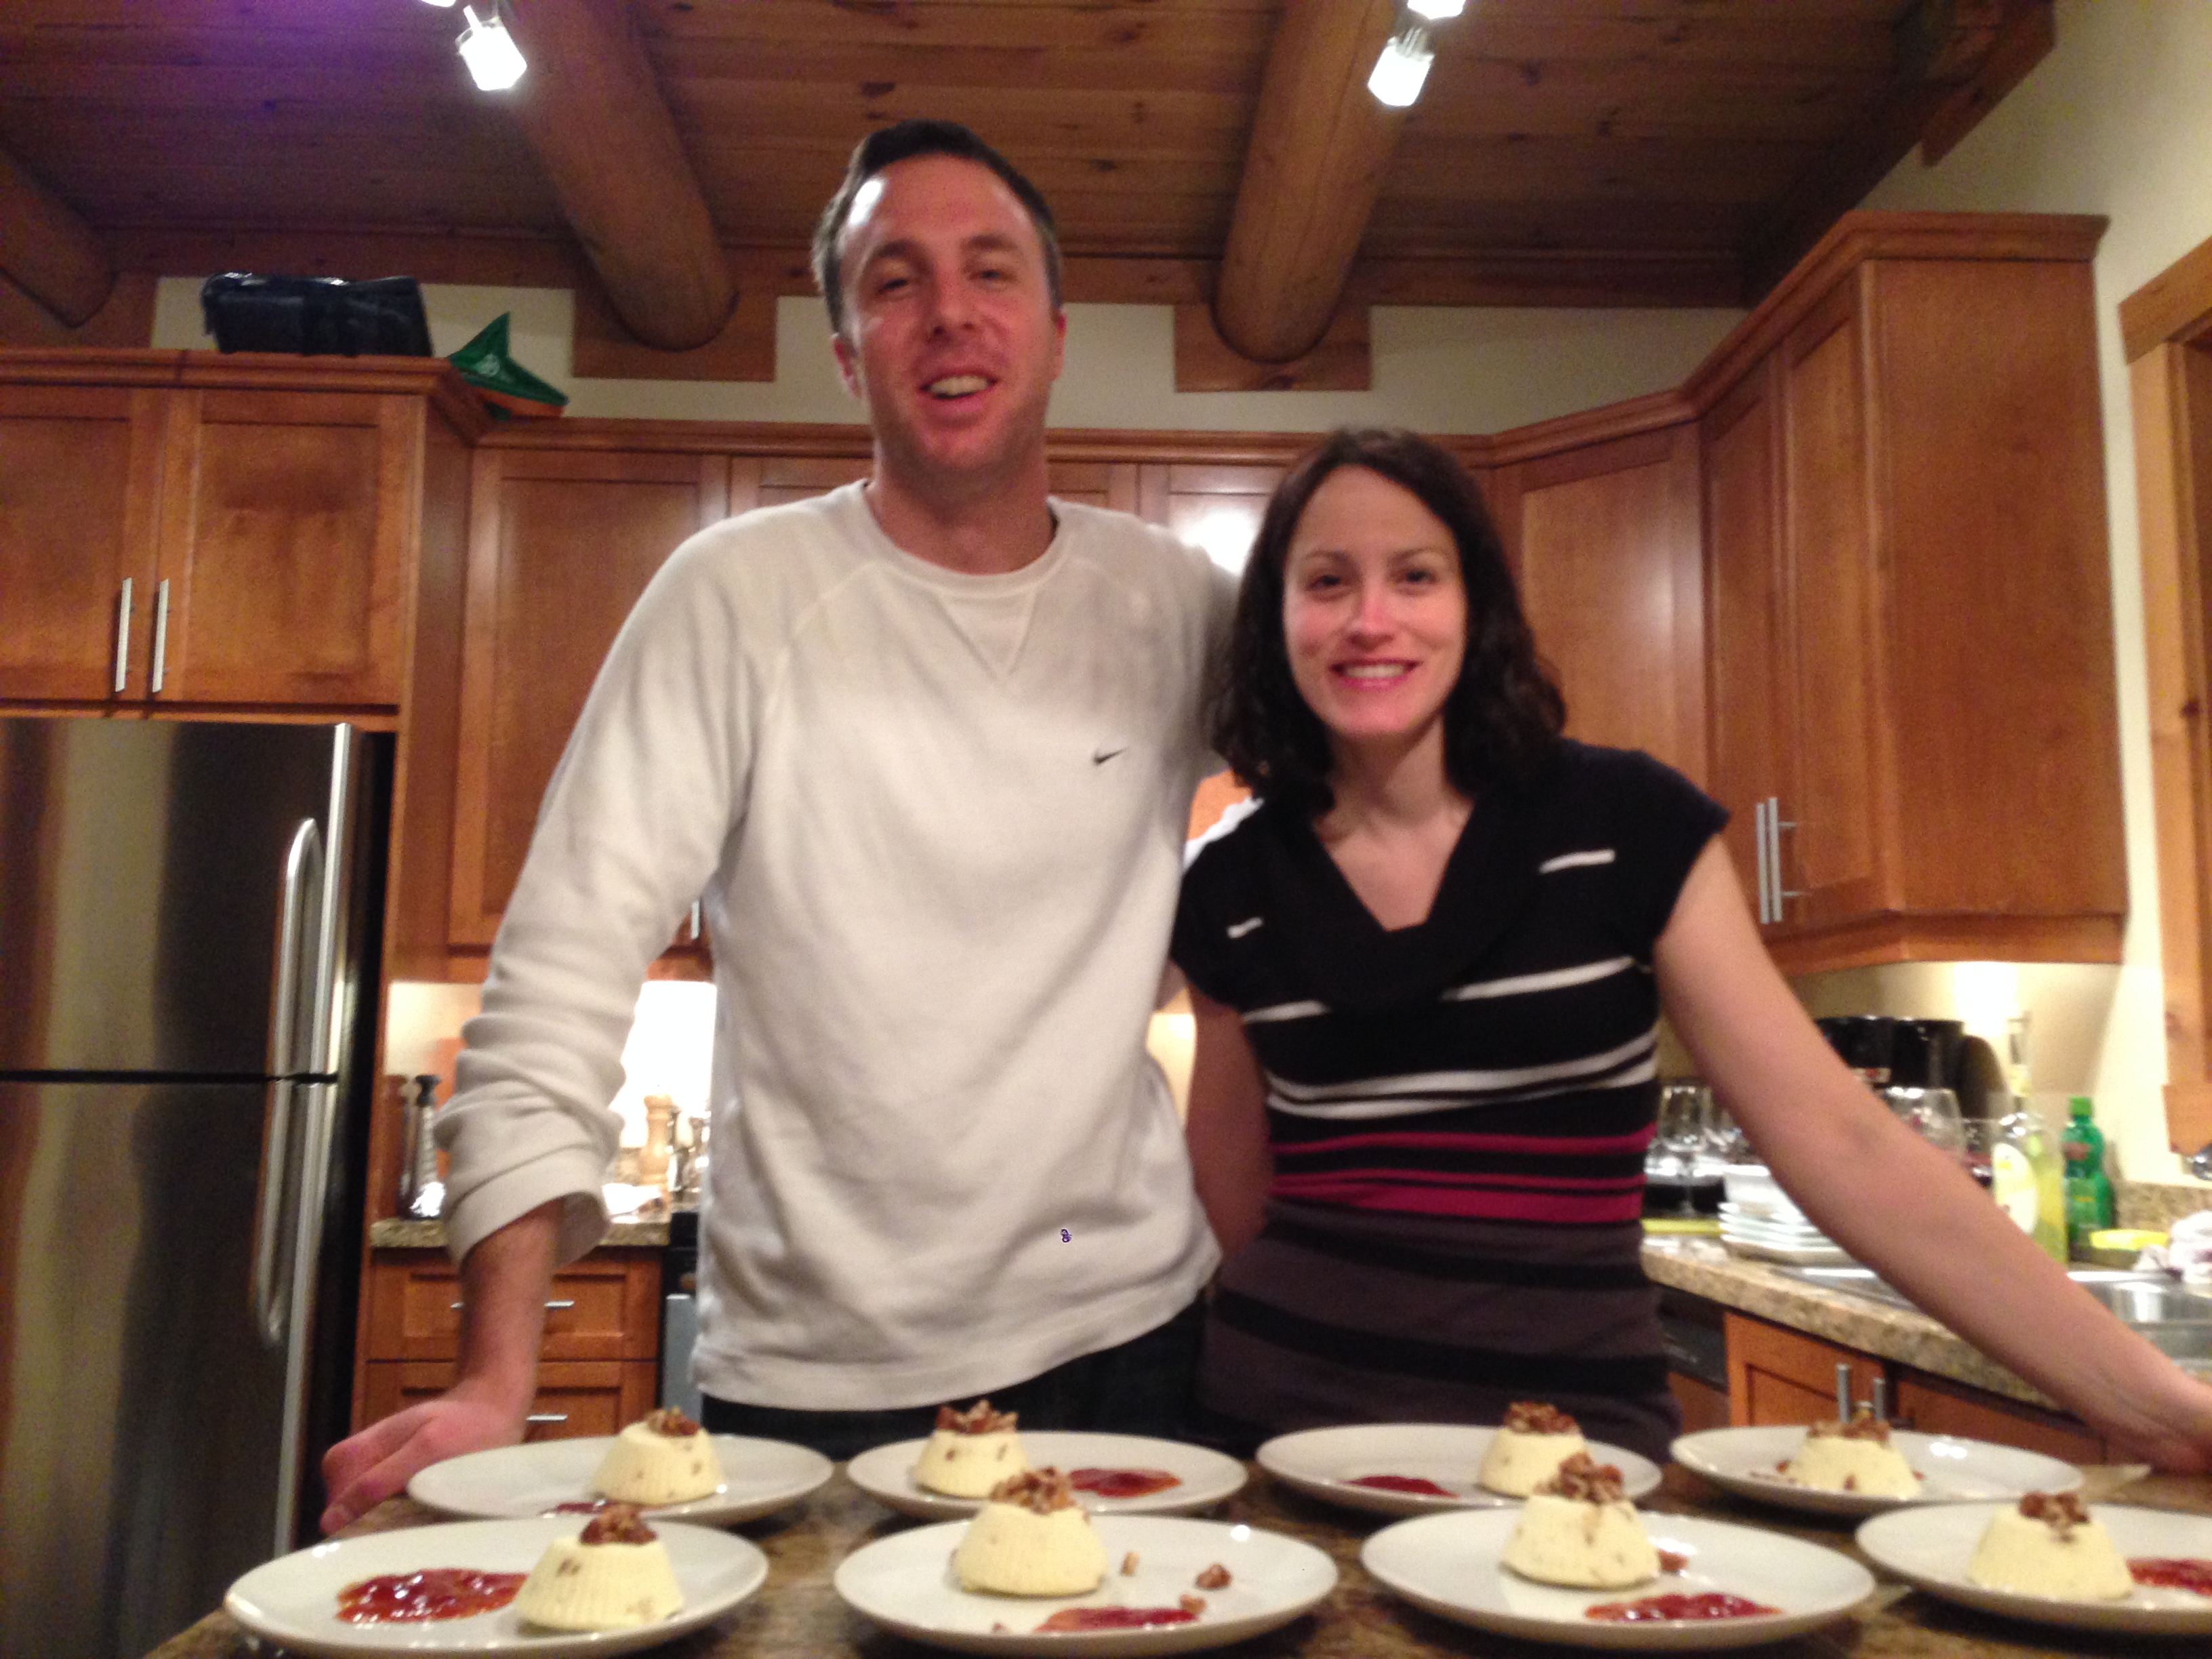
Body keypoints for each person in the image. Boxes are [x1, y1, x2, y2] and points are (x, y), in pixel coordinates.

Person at [320, 121, 1230, 1530]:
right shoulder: (733, 595)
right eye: (894, 281)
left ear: (1055, 334)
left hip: (1139, 1349)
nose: (949, 313)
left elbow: (1379, 801)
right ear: (849, 353)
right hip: (820, 1390)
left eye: (990, 271)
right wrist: (495, 1380)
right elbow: (558, 976)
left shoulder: (1178, 605)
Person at [1173, 426, 2212, 1468]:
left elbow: (1842, 1143)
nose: (1370, 619)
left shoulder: (1627, 826)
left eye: (1415, 575)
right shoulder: (1230, 887)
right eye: (1327, 581)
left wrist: (2154, 1409)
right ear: (1278, 621)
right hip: (1287, 1446)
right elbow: (1236, 1188)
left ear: (1476, 603)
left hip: (1573, 1465)